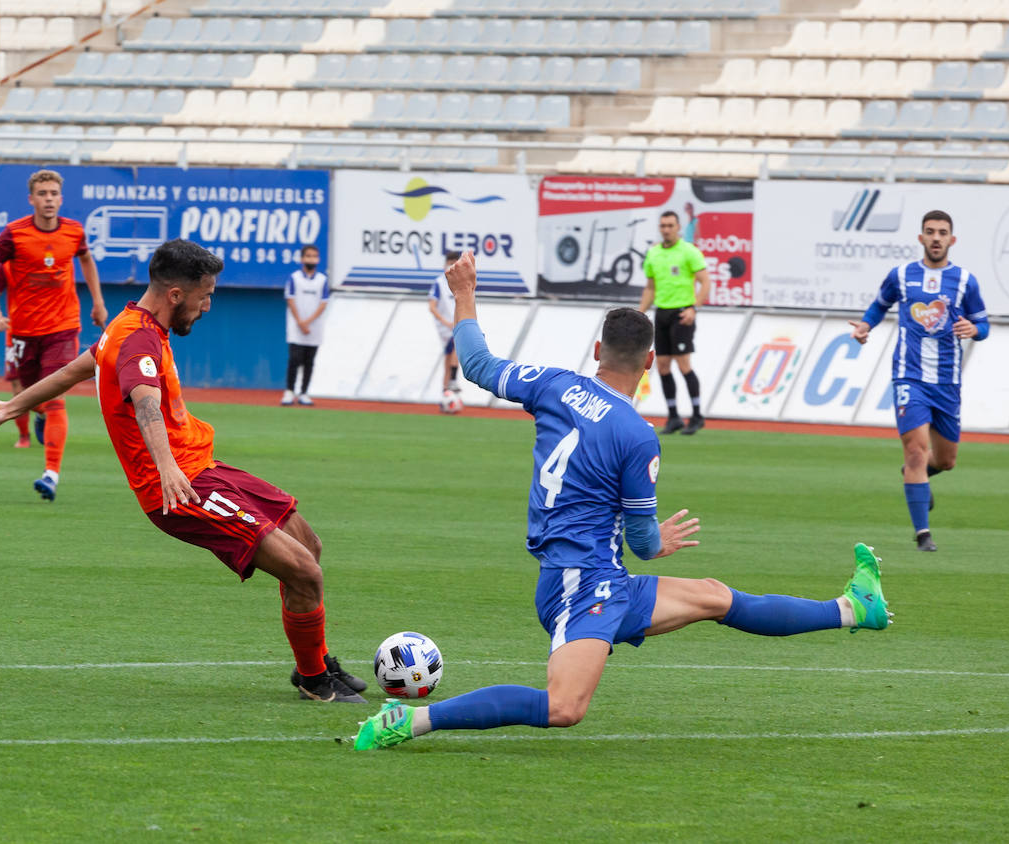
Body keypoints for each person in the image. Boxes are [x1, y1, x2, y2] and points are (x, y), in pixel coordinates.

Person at [353, 251, 891, 751]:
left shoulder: (553, 383)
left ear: (596, 351)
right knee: (564, 707)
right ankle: (410, 721)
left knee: (713, 596)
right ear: (651, 360)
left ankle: (851, 609)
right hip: (581, 582)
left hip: (598, 577)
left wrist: (465, 292)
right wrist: (658, 543)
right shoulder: (636, 434)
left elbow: (476, 365)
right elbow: (641, 541)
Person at [0, 239, 369, 704]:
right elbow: (145, 401)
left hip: (202, 466)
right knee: (306, 572)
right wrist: (167, 467)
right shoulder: (138, 339)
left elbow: (74, 371)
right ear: (176, 295)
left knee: (308, 544)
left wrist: (11, 404)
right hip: (180, 486)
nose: (207, 305)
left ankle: (313, 660)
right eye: (204, 295)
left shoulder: (125, 327)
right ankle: (314, 679)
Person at [848, 209, 988, 553]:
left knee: (945, 461)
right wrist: (866, 327)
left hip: (947, 381)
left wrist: (974, 330)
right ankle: (923, 533)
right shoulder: (901, 275)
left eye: (942, 232)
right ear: (920, 238)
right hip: (909, 375)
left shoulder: (965, 281)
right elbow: (879, 306)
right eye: (930, 231)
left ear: (951, 240)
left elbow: (983, 324)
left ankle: (916, 476)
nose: (936, 238)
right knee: (915, 450)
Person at [0, 169, 107, 501]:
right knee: (26, 394)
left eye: (53, 194)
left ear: (61, 199)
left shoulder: (74, 231)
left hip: (63, 329)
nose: (48, 199)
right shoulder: (14, 234)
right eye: (42, 194)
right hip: (23, 332)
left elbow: (87, 260)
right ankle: (39, 415)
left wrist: (98, 302)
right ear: (31, 199)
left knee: (56, 399)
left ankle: (51, 475)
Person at [638, 210, 710, 435]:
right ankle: (673, 416)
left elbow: (705, 282)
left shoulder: (689, 251)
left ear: (678, 227)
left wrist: (694, 308)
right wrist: (639, 314)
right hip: (662, 313)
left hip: (682, 313)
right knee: (662, 366)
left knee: (683, 364)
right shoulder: (654, 254)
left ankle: (697, 415)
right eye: (663, 226)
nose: (666, 229)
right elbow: (650, 287)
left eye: (670, 225)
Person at [0, 261, 39, 448]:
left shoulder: (47, 260)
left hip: (49, 333)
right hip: (16, 332)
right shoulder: (6, 266)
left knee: (47, 386)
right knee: (18, 388)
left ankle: (42, 412)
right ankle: (24, 435)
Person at [281, 243, 329, 407]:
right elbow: (290, 299)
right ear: (302, 259)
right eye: (308, 256)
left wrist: (308, 322)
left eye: (314, 256)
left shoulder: (322, 280)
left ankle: (304, 393)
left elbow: (323, 303)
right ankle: (289, 391)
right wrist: (300, 322)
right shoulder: (294, 278)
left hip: (314, 328)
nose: (311, 259)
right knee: (295, 359)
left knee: (309, 361)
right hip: (296, 327)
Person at [428, 248, 463, 407]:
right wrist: (445, 322)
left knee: (449, 358)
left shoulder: (461, 282)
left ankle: (445, 392)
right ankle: (453, 380)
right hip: (444, 326)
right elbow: (432, 307)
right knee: (454, 349)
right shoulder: (439, 283)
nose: (451, 267)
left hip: (455, 323)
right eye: (449, 263)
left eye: (454, 264)